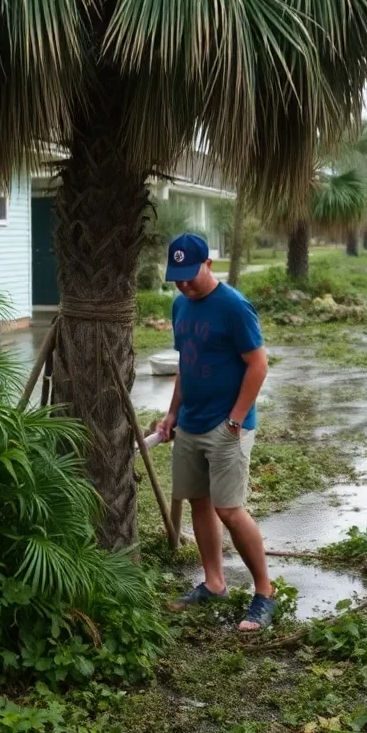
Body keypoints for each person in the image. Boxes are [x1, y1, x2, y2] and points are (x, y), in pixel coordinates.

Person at [155, 233, 275, 631]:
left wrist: (236, 420)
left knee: (229, 510)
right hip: (190, 420)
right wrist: (172, 413)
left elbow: (258, 365)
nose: (184, 284)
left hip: (227, 425)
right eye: (177, 278)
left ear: (209, 264)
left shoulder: (234, 307)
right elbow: (186, 366)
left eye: (190, 275)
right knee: (198, 502)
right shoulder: (180, 306)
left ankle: (264, 592)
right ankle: (214, 583)